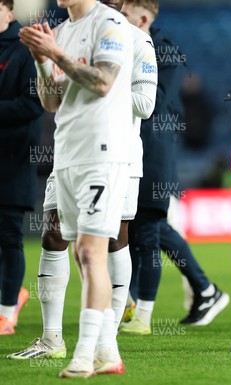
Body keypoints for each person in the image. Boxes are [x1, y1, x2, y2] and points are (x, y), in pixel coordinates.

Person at [8, 0, 156, 364]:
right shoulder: (68, 30)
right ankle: (51, 338)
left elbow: (145, 104)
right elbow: (53, 99)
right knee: (53, 233)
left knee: (112, 240)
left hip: (114, 152)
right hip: (71, 148)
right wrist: (50, 62)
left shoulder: (135, 39)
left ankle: (108, 340)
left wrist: (93, 86)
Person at [118, 0, 229, 335]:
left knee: (149, 227)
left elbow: (153, 104)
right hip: (131, 148)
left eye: (123, 15)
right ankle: (201, 291)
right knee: (142, 227)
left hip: (153, 151)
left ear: (141, 17)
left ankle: (143, 313)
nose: (117, 20)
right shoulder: (129, 46)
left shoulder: (162, 52)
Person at [0, 0, 42, 335]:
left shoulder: (24, 50)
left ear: (9, 12)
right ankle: (13, 296)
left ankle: (6, 312)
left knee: (10, 235)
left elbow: (33, 104)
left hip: (14, 158)